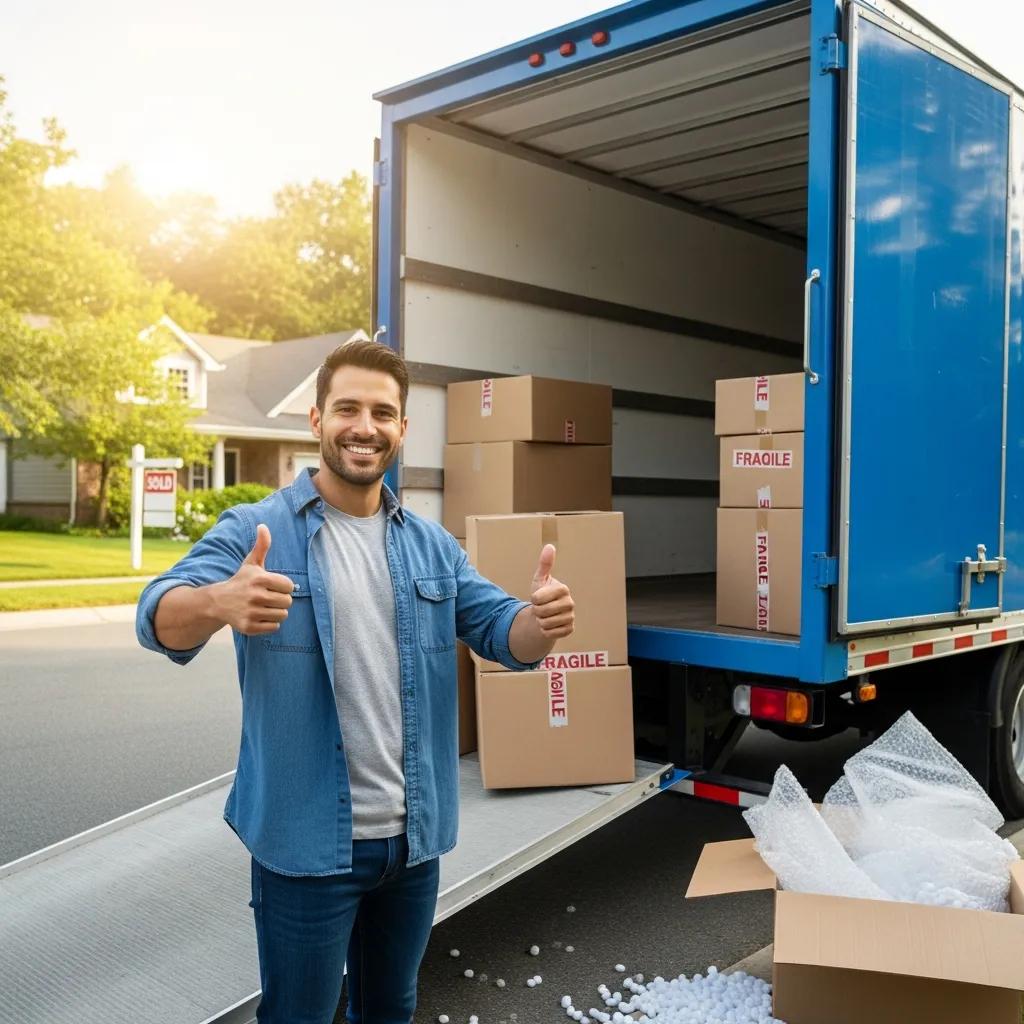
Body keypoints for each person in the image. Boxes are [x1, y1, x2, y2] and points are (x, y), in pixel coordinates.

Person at [135, 339, 575, 1024]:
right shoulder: (257, 530)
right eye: (347, 409)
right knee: (298, 1016)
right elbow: (156, 615)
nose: (364, 427)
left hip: (412, 843)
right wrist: (219, 601)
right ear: (316, 419)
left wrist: (541, 623)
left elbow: (503, 634)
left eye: (381, 412)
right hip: (306, 848)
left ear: (402, 428)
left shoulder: (431, 545)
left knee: (390, 1009)